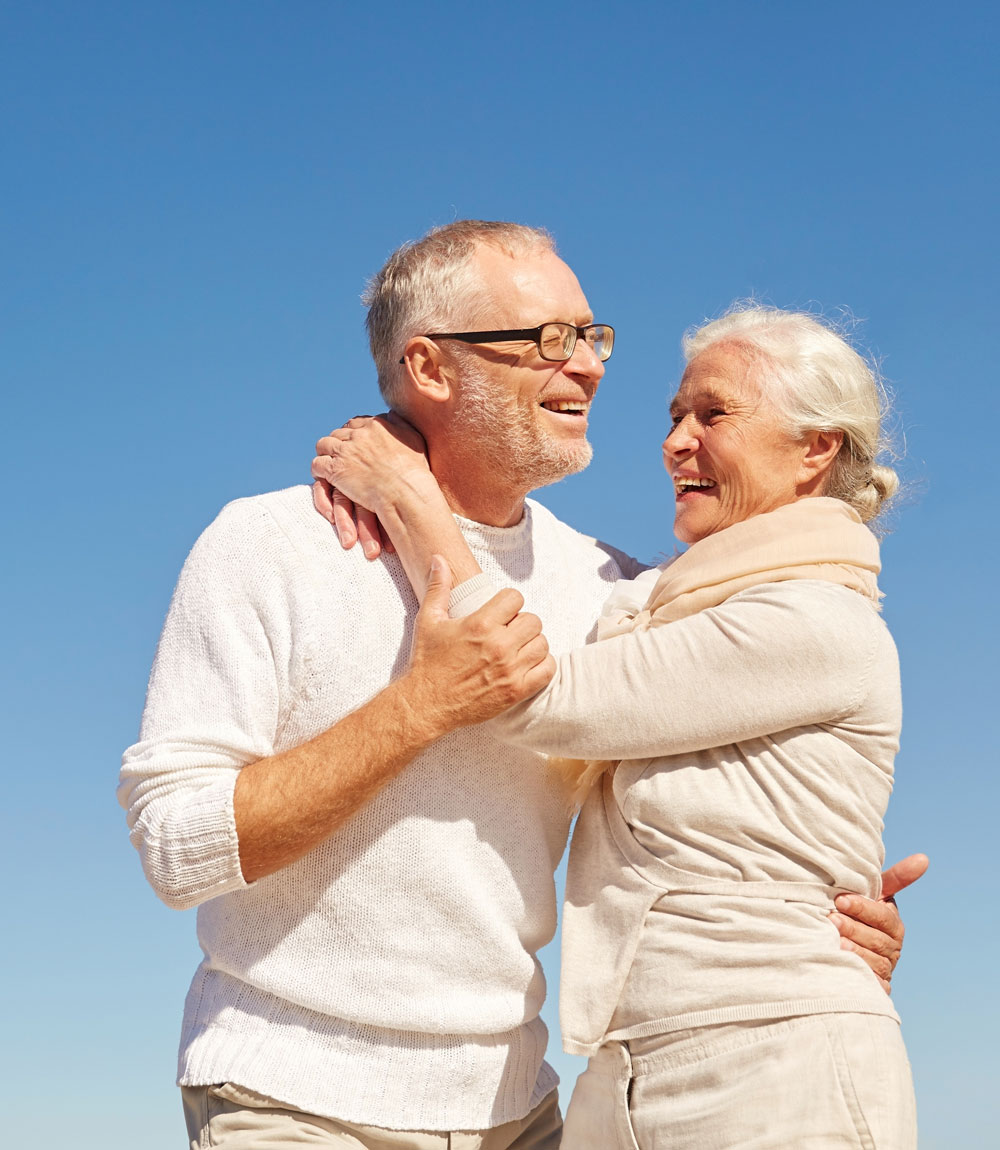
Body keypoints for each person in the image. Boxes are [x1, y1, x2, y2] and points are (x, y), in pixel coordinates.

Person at [120, 221, 917, 1149]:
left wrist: (836, 921)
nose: (588, 366)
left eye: (591, 336)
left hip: (519, 1111)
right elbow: (178, 852)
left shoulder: (620, 592)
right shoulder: (273, 546)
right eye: (548, 340)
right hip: (295, 1099)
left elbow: (755, 759)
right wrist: (418, 708)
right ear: (429, 366)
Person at [310, 303, 920, 1146]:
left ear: (816, 448)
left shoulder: (816, 619)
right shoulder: (665, 603)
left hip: (773, 1063)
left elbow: (528, 690)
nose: (675, 442)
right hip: (629, 1077)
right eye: (675, 417)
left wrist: (409, 496)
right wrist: (429, 437)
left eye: (714, 415)